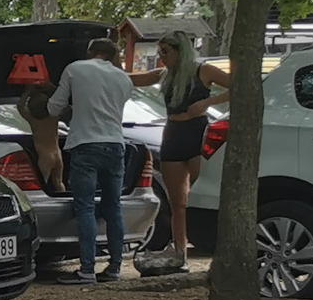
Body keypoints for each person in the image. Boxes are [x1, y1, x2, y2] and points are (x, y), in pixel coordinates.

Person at [47, 38, 135, 284]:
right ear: (112, 55)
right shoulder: (124, 79)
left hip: (86, 144)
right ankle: (115, 267)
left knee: (85, 206)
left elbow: (54, 108)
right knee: (113, 206)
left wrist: (44, 96)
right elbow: (107, 109)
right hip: (116, 145)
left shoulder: (75, 68)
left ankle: (87, 269)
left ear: (91, 52)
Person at [144, 36, 229, 271]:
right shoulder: (164, 74)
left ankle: (213, 247)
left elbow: (239, 86)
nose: (162, 57)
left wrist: (207, 102)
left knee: (201, 193)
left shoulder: (204, 71)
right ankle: (180, 252)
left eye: (165, 52)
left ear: (180, 51)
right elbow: (134, 79)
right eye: (159, 53)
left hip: (197, 132)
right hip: (172, 133)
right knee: (176, 201)